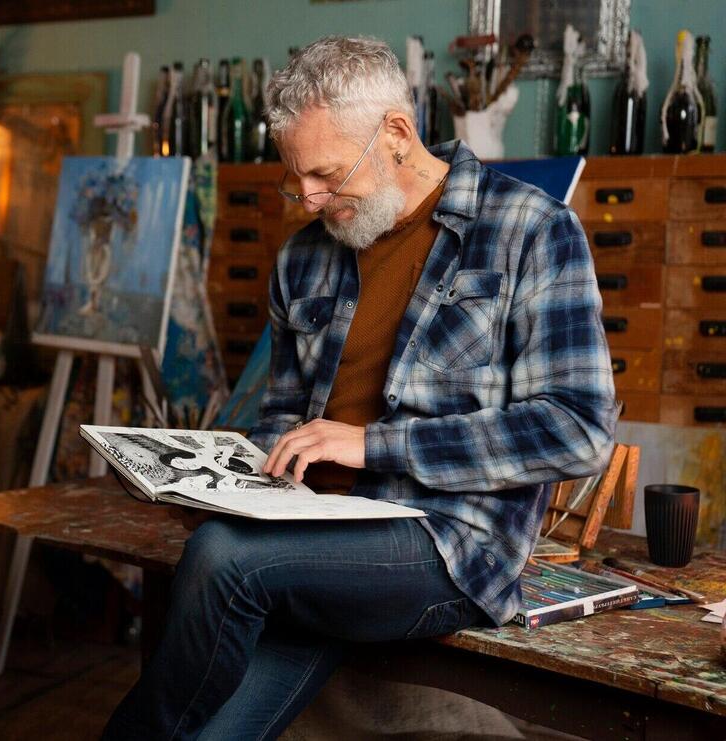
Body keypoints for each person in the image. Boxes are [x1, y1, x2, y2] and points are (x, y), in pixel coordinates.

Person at [103, 35, 616, 740]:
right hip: (306, 540)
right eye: (296, 179)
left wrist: (374, 445)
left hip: (446, 543)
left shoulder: (533, 230)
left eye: (326, 175)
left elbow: (577, 429)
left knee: (223, 559)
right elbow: (284, 414)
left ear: (397, 134)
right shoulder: (303, 258)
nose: (308, 198)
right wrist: (224, 479)